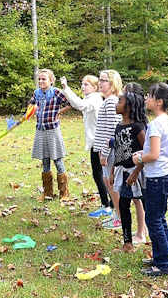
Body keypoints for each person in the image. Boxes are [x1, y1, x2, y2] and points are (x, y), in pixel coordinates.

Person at [131, 82, 168, 276]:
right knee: (159, 218)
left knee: (154, 220)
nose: (146, 98)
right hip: (163, 175)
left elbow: (155, 155)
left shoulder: (158, 123)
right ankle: (161, 256)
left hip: (158, 177)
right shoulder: (163, 119)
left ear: (159, 102)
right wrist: (146, 152)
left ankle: (164, 264)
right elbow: (156, 150)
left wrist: (139, 157)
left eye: (149, 96)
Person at [60, 75, 108, 215]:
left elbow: (79, 105)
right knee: (100, 174)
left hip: (99, 142)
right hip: (96, 142)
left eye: (86, 84)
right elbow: (77, 104)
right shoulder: (90, 99)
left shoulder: (94, 99)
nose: (82, 86)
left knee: (99, 175)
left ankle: (107, 206)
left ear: (94, 87)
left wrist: (66, 88)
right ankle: (109, 204)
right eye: (82, 84)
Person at [108, 85, 147, 251]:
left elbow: (147, 152)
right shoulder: (119, 126)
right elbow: (118, 150)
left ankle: (153, 237)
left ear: (129, 106)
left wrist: (136, 173)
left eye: (120, 101)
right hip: (123, 173)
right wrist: (112, 171)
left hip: (137, 175)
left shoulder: (137, 127)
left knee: (146, 204)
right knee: (124, 206)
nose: (116, 104)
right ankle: (127, 243)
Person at [29, 69, 71, 200]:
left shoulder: (56, 92)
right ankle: (47, 192)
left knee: (57, 159)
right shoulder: (37, 93)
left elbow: (70, 103)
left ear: (51, 81)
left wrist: (59, 112)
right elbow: (31, 103)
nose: (41, 81)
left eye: (44, 79)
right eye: (39, 79)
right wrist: (30, 111)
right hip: (41, 130)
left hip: (53, 130)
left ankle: (64, 193)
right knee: (45, 160)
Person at [92, 69, 123, 228]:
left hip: (110, 152)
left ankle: (120, 217)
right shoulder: (108, 101)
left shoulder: (111, 102)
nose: (99, 83)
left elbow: (113, 130)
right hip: (104, 150)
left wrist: (104, 153)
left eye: (103, 80)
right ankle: (117, 215)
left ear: (112, 84)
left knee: (111, 184)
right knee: (107, 181)